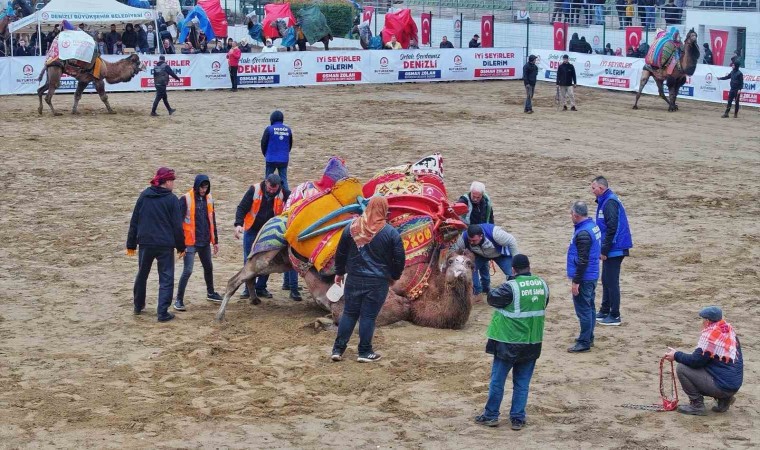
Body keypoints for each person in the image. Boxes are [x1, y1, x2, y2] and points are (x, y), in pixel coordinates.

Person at [473, 254, 548, 431]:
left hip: (508, 341)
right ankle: (518, 418)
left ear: (513, 269)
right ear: (529, 267)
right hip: (532, 341)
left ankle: (491, 415)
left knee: (497, 381)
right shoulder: (543, 285)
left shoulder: (510, 287)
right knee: (522, 383)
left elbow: (492, 298)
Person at [331, 196, 405, 363]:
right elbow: (399, 258)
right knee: (368, 316)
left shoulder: (351, 228)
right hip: (377, 282)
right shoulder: (390, 232)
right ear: (384, 209)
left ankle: (337, 349)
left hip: (354, 278)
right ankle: (364, 351)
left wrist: (339, 272)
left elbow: (341, 251)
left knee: (349, 313)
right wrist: (395, 276)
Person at [126, 167, 186, 322]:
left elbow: (135, 220)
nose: (173, 183)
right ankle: (162, 312)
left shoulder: (145, 195)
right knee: (166, 278)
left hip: (145, 242)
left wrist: (131, 244)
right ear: (166, 182)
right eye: (172, 180)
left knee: (142, 274)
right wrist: (181, 247)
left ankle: (138, 306)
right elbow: (177, 227)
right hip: (165, 245)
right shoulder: (172, 199)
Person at [664, 306, 743, 416]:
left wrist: (676, 355)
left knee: (682, 368)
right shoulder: (728, 330)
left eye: (703, 319)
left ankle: (697, 405)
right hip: (733, 385)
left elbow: (695, 362)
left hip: (722, 385)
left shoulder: (711, 337)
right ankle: (725, 399)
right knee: (711, 367)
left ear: (707, 321)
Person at [234, 174, 288, 299]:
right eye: (269, 189)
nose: (271, 192)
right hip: (252, 229)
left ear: (279, 187)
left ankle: (261, 287)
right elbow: (242, 208)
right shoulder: (254, 190)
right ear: (266, 182)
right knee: (249, 259)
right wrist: (238, 224)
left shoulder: (283, 193)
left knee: (266, 261)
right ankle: (248, 289)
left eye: (274, 190)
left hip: (269, 233)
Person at [174, 175, 223, 311]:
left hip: (204, 241)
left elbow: (212, 220)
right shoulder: (186, 199)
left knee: (208, 267)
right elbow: (177, 222)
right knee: (188, 270)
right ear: (196, 186)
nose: (204, 190)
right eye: (202, 187)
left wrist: (215, 241)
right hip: (190, 242)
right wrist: (179, 244)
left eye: (206, 187)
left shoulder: (209, 198)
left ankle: (211, 292)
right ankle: (179, 299)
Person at [591, 176, 632, 326]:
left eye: (593, 188)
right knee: (606, 279)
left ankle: (615, 315)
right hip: (613, 247)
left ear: (601, 188)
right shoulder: (605, 201)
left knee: (611, 281)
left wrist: (605, 250)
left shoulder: (609, 203)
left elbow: (612, 228)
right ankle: (604, 310)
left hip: (615, 248)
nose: (592, 190)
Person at [566, 201, 601, 353]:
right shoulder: (592, 226)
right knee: (590, 307)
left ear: (576, 215)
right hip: (592, 275)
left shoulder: (583, 233)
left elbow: (582, 260)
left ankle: (584, 341)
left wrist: (576, 282)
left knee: (584, 310)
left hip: (585, 277)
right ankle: (589, 337)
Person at [452, 224, 518, 296]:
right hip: (480, 255)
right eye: (469, 240)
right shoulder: (463, 238)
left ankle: (515, 292)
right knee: (469, 268)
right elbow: (454, 251)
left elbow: (512, 241)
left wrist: (515, 261)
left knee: (513, 273)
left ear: (481, 236)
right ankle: (477, 292)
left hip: (500, 254)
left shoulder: (496, 234)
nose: (471, 242)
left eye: (474, 240)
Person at [261, 110, 293, 191]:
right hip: (283, 159)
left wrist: (266, 154)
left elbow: (263, 143)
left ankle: (265, 196)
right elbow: (290, 144)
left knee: (268, 180)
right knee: (283, 180)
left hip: (271, 159)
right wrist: (285, 153)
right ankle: (287, 199)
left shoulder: (269, 129)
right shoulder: (288, 130)